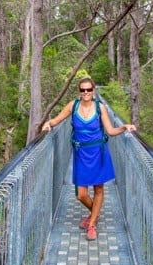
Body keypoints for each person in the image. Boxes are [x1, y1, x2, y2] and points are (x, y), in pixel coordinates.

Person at [42, 77, 136, 241]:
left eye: (89, 90)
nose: (86, 93)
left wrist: (124, 127)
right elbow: (56, 120)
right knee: (81, 194)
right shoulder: (73, 106)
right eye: (82, 90)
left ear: (93, 91)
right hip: (80, 153)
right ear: (79, 92)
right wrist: (48, 124)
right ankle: (95, 213)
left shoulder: (100, 108)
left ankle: (92, 224)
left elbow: (110, 131)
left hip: (98, 152)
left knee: (98, 189)